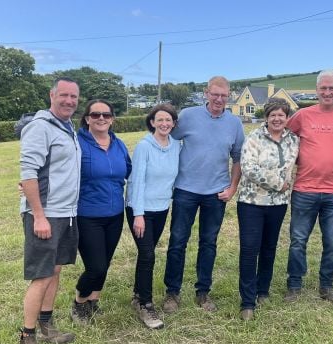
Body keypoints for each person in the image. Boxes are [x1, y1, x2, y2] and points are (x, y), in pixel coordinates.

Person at [162, 76, 245, 313]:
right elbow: (167, 138)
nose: (219, 99)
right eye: (215, 94)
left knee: (208, 243)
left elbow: (238, 158)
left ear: (229, 96)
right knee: (178, 242)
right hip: (185, 190)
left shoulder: (234, 123)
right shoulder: (188, 116)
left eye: (224, 95)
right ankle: (172, 293)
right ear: (206, 93)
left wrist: (232, 187)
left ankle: (203, 292)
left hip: (216, 193)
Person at [18, 77, 81, 344]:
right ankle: (27, 339)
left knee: (54, 272)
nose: (69, 101)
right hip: (45, 214)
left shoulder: (69, 129)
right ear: (52, 95)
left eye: (74, 97)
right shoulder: (40, 127)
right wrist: (39, 215)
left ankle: (47, 325)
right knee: (41, 276)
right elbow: (28, 172)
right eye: (64, 95)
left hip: (66, 213)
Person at [285, 69, 333, 303]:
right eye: (323, 88)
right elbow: (283, 140)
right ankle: (294, 285)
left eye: (331, 88)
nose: (327, 92)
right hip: (304, 190)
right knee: (298, 240)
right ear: (316, 90)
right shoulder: (302, 116)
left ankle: (326, 286)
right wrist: (286, 169)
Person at [70, 99, 132, 326]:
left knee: (104, 263)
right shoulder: (77, 143)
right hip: (87, 215)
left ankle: (93, 301)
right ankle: (79, 302)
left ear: (112, 119)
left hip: (115, 214)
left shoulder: (119, 144)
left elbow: (130, 172)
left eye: (106, 115)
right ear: (87, 119)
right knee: (95, 266)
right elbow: (57, 168)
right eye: (95, 115)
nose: (101, 119)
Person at [237, 98, 299, 320]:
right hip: (252, 203)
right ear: (266, 117)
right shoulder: (254, 138)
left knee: (269, 248)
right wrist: (278, 183)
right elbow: (248, 167)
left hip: (278, 204)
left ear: (287, 117)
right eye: (273, 114)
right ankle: (247, 301)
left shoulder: (293, 140)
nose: (277, 118)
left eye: (281, 114)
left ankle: (263, 290)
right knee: (249, 250)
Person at [125, 104, 180, 329]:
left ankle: (137, 295)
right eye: (160, 120)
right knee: (148, 255)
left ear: (174, 124)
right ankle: (146, 305)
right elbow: (136, 181)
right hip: (141, 209)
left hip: (161, 208)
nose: (164, 123)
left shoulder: (177, 146)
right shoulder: (144, 147)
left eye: (168, 120)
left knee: (146, 254)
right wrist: (138, 214)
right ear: (152, 122)